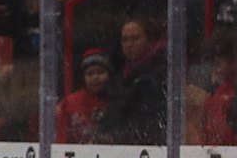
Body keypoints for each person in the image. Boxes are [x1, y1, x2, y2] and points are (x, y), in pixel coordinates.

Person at [97, 16, 167, 146]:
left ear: (150, 41)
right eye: (125, 40)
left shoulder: (158, 72)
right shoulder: (124, 75)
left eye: (135, 39)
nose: (129, 44)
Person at [55, 48, 112, 144]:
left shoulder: (116, 101)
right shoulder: (70, 102)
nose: (95, 78)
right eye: (90, 74)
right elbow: (61, 138)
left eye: (100, 72)